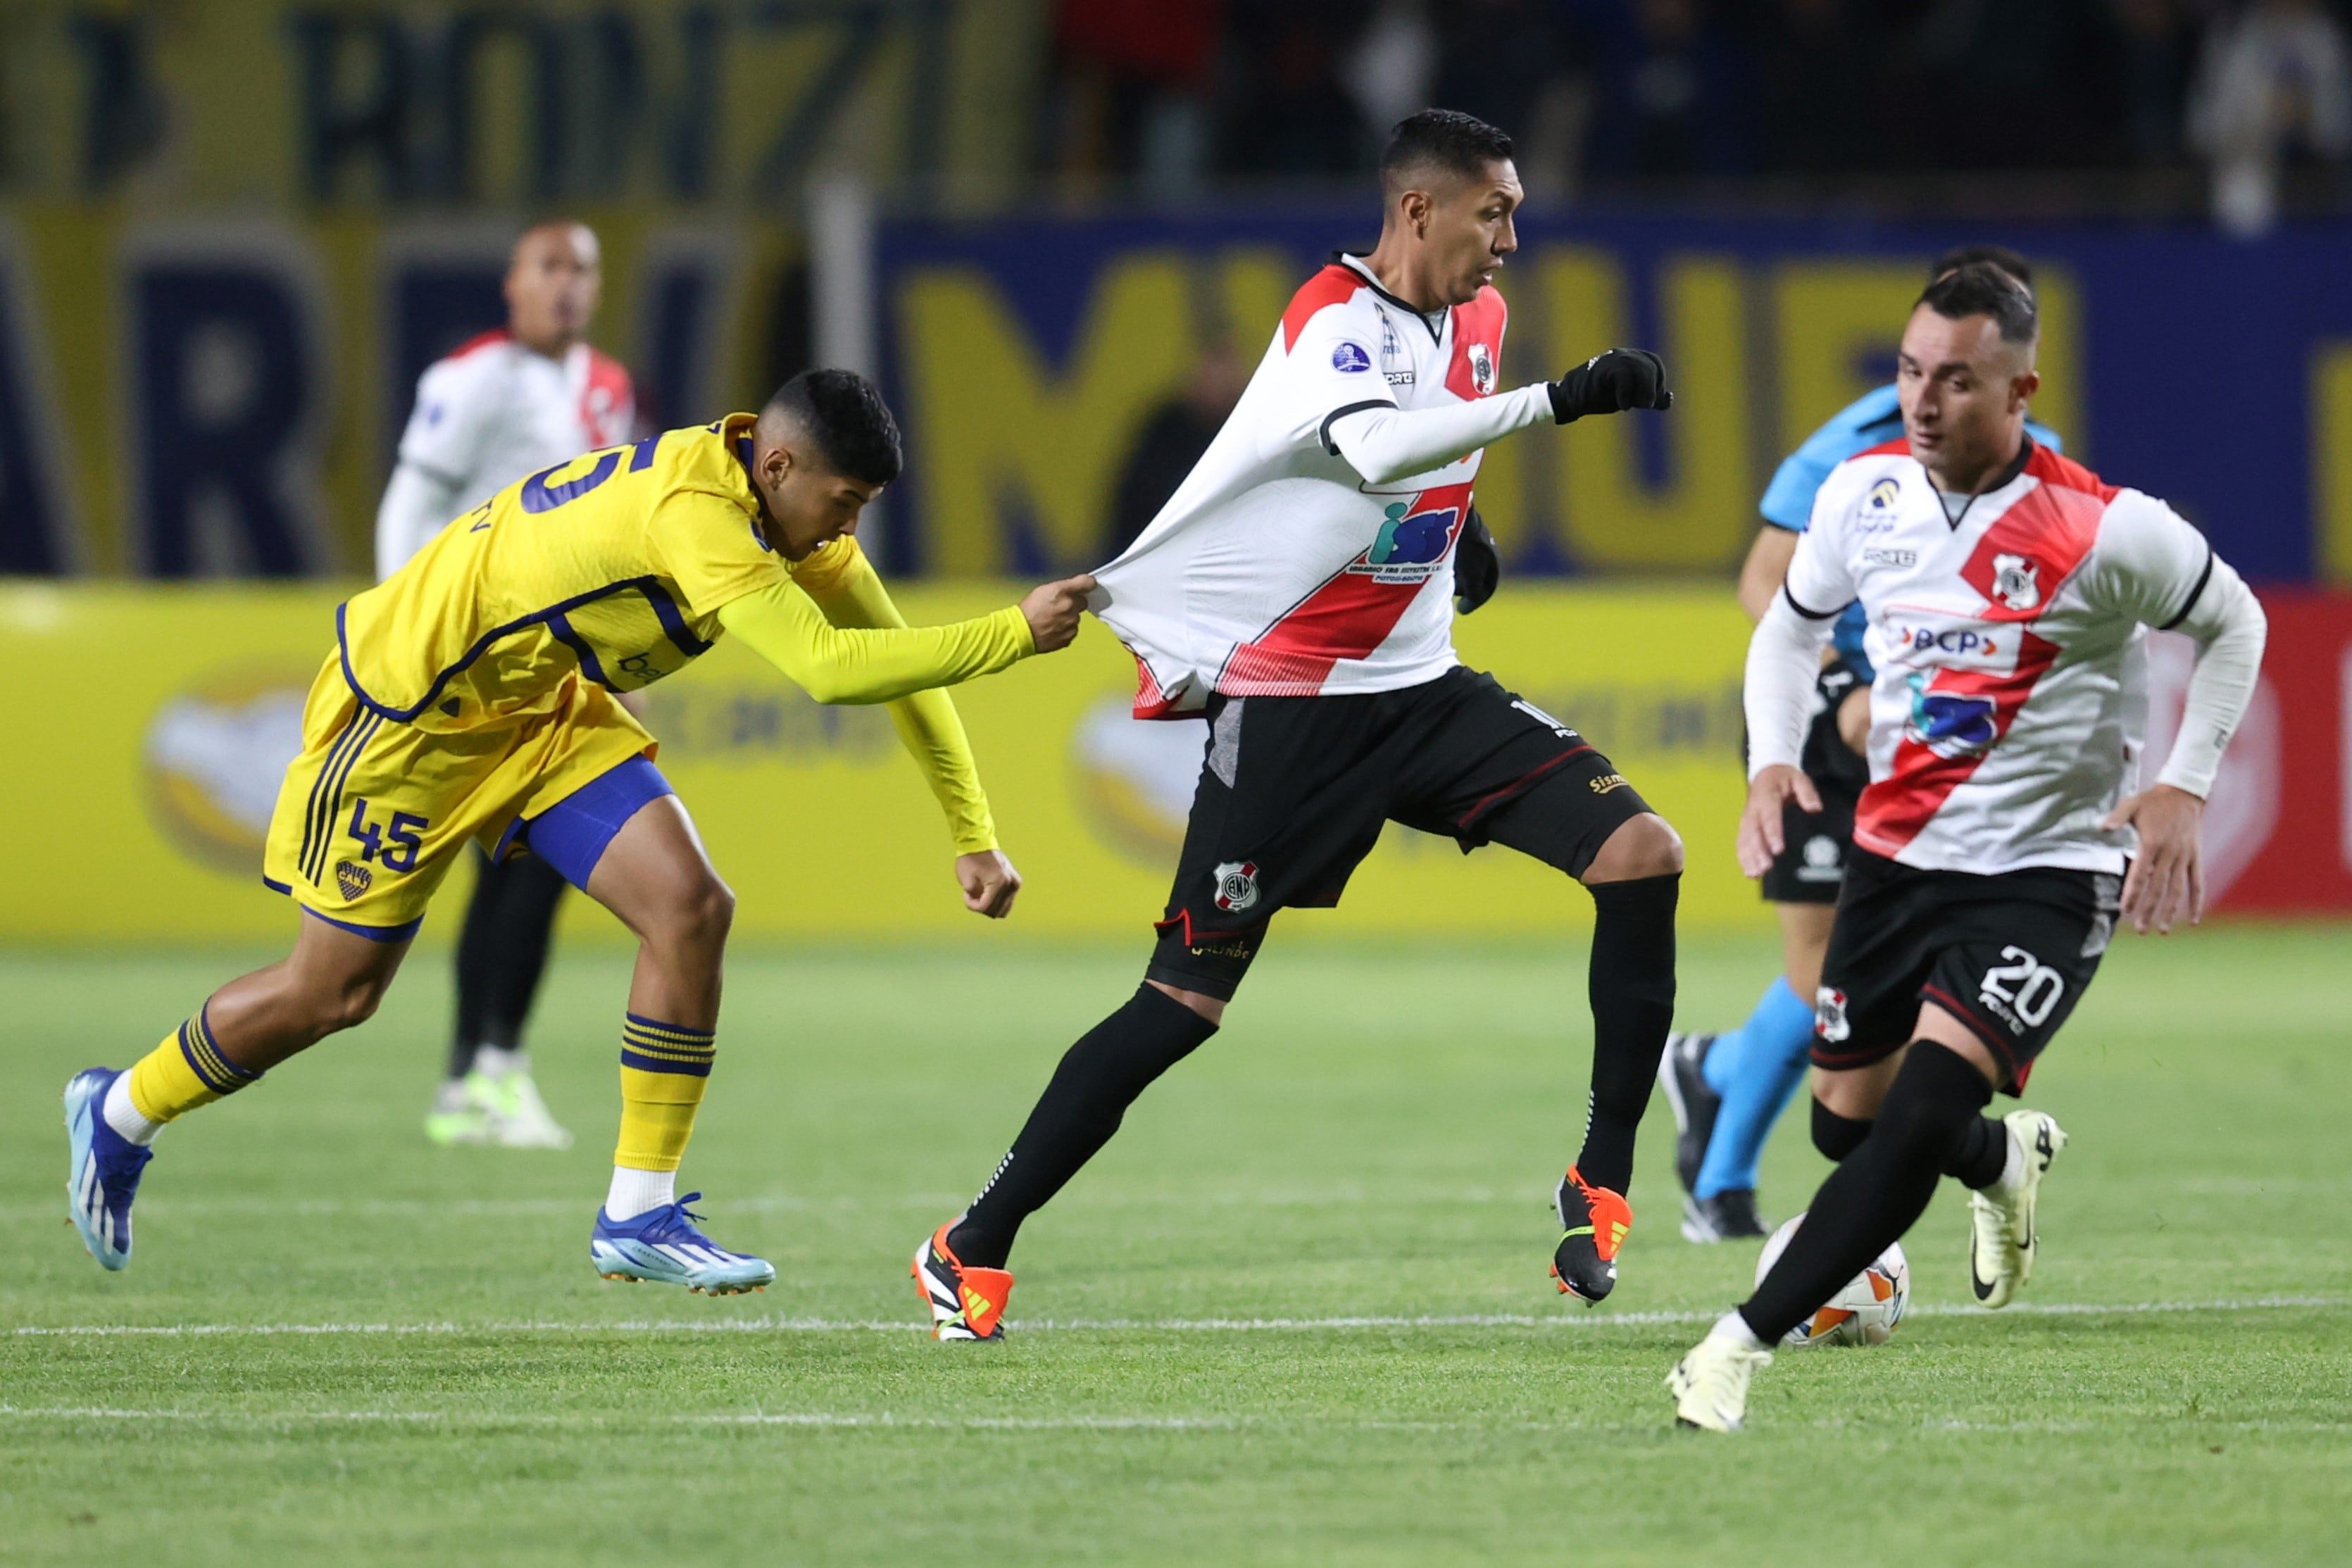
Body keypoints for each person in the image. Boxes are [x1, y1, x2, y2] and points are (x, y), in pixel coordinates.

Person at [63, 370, 1095, 1292]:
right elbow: (829, 671)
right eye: (844, 501)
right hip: (407, 718)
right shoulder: (698, 513)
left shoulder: (786, 510)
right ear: (777, 464)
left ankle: (639, 1210)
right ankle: (119, 1112)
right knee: (333, 993)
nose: (845, 528)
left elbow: (898, 661)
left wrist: (974, 831)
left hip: (538, 708)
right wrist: (1014, 633)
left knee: (692, 910)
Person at [913, 108, 1682, 1342]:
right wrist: (1566, 399)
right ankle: (972, 1239)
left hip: (1424, 689)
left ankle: (1599, 1180)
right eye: (1497, 213)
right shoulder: (1333, 315)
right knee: (1182, 1005)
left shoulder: (1476, 317)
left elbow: (1414, 465)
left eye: (1519, 212)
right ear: (1419, 211)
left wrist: (1456, 534)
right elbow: (1371, 444)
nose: (1515, 240)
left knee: (1644, 853)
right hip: (1293, 712)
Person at [1667, 265, 2265, 1431]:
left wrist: (2184, 788)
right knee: (1845, 1116)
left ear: (2021, 388)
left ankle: (1735, 1348)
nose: (1924, 401)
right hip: (1896, 856)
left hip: (2047, 873)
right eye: (1907, 373)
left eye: (1955, 379)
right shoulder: (1862, 497)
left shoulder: (2105, 526)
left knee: (1910, 1116)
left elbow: (2233, 618)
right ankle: (1999, 1160)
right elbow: (1787, 634)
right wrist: (1773, 762)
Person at [1658, 246, 2063, 1244]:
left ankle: (1714, 1070)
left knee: (1889, 968)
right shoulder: (1859, 445)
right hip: (1825, 720)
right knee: (1825, 968)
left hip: (1928, 733)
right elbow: (1765, 585)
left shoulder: (2035, 455)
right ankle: (1722, 1177)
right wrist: (1845, 689)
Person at [378, 219, 634, 1150]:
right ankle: (488, 1069)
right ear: (513, 284)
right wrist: (408, 637)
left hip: (553, 663)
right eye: (550, 267)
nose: (566, 285)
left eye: (582, 270)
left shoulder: (606, 388)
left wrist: (614, 655)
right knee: (528, 862)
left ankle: (475, 1077)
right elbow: (411, 502)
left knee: (516, 866)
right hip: (471, 659)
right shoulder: (475, 378)